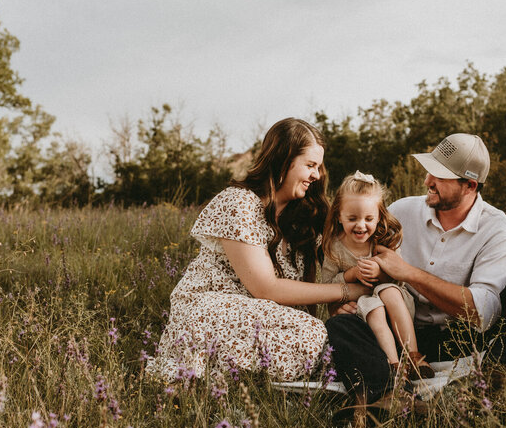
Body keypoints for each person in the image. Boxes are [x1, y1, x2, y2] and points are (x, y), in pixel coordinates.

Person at [325, 133, 506, 406]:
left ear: (469, 185)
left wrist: (409, 273)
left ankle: (505, 380)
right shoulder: (401, 211)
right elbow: (364, 261)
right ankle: (390, 397)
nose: (427, 182)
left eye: (439, 176)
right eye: (429, 172)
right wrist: (345, 302)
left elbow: (484, 313)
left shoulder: (497, 228)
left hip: (466, 338)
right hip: (402, 332)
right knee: (341, 326)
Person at [151, 118, 370, 383]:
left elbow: (327, 275)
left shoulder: (303, 216)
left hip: (263, 318)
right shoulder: (239, 203)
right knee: (314, 336)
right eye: (310, 165)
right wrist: (348, 291)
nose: (317, 175)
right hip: (210, 311)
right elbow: (264, 288)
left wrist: (340, 305)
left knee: (335, 332)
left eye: (319, 167)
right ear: (284, 161)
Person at [319, 172, 434, 381]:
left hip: (397, 309)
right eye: (352, 218)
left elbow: (398, 279)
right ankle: (394, 365)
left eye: (369, 218)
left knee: (388, 291)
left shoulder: (383, 240)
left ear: (379, 216)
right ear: (338, 216)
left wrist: (381, 273)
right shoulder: (334, 247)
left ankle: (414, 357)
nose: (361, 225)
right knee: (373, 307)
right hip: (363, 314)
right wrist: (350, 274)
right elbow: (326, 286)